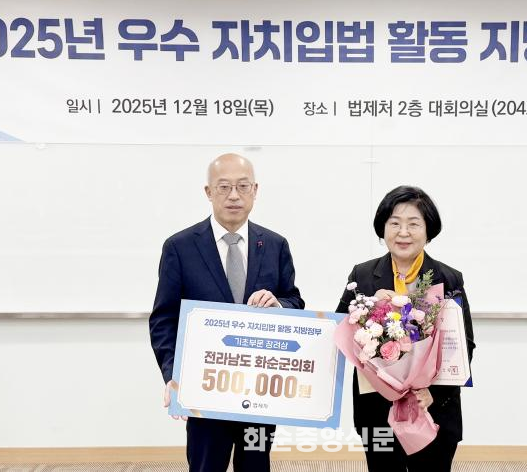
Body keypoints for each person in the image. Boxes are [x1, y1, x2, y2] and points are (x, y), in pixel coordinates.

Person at [149, 153, 305, 472]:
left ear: (255, 190)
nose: (234, 195)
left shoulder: (275, 244)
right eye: (224, 187)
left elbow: (294, 300)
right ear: (209, 192)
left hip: (261, 391)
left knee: (256, 466)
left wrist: (278, 304)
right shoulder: (180, 247)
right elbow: (164, 320)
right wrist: (173, 375)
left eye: (242, 186)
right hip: (205, 391)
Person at [336, 185, 475, 472]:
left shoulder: (448, 278)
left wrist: (433, 393)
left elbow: (464, 345)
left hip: (432, 408)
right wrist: (371, 307)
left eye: (413, 224)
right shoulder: (363, 275)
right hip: (377, 409)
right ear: (383, 227)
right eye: (395, 223)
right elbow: (341, 332)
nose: (403, 233)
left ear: (428, 230)